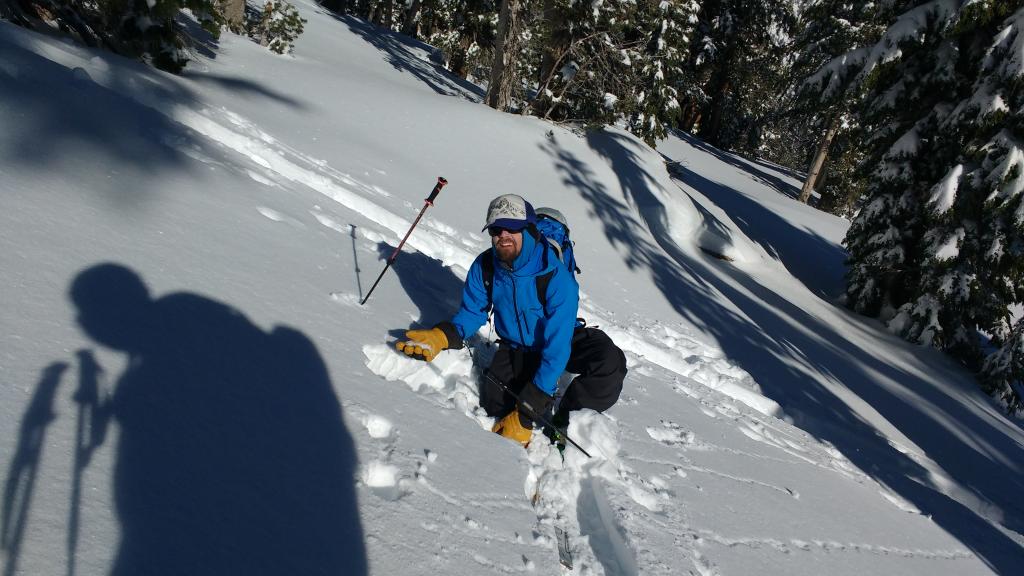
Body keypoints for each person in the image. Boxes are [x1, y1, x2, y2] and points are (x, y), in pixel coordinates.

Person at [396, 194, 627, 447]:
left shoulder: (556, 276)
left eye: (513, 228)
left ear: (528, 229)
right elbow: (473, 312)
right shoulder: (486, 265)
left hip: (561, 338)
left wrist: (530, 409)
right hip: (516, 347)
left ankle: (565, 420)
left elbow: (557, 345)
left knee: (610, 361)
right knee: (496, 408)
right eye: (496, 229)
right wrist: (443, 335)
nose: (503, 235)